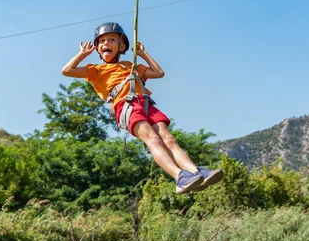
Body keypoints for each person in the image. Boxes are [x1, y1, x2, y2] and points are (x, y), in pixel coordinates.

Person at [62, 22, 223, 194]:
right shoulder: (96, 70)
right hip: (126, 105)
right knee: (153, 139)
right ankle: (179, 177)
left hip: (146, 103)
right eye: (101, 41)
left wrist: (143, 54)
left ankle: (195, 172)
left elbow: (159, 73)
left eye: (111, 40)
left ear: (121, 46)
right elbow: (67, 70)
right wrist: (82, 54)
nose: (106, 44)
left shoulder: (131, 66)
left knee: (169, 139)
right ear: (97, 48)